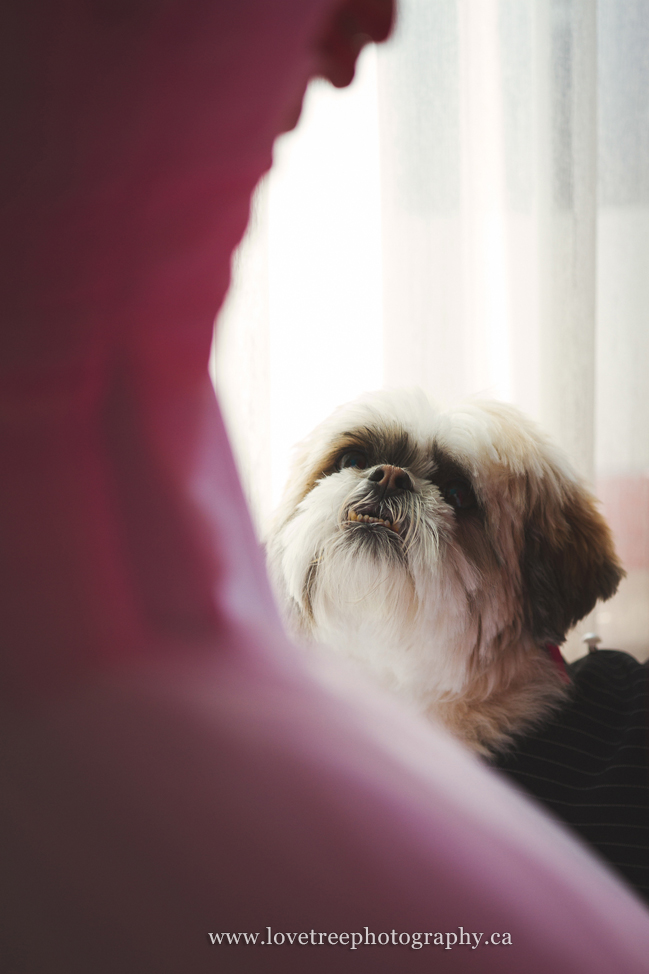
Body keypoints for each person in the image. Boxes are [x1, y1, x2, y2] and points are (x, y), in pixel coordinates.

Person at [0, 2, 647, 971]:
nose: (383, 481)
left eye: (455, 493)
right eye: (352, 458)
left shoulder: (611, 766)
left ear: (535, 595)